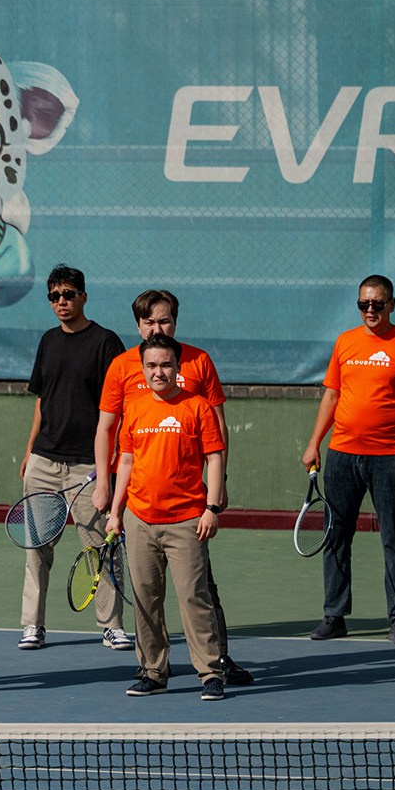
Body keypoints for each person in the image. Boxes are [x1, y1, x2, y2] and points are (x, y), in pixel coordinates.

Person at [95, 289, 255, 685]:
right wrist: (110, 497)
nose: (156, 328)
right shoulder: (122, 372)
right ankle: (153, 668)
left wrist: (215, 496)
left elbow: (216, 436)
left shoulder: (199, 366)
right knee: (146, 597)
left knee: (198, 592)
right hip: (140, 511)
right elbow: (112, 437)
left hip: (188, 509)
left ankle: (214, 665)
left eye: (163, 320)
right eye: (149, 322)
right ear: (138, 327)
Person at [301, 275, 395, 646]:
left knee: (394, 539)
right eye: (364, 304)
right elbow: (331, 395)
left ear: (392, 304)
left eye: (377, 303)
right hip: (342, 455)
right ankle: (334, 615)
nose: (370, 310)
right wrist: (314, 443)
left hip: (389, 459)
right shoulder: (345, 342)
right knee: (336, 536)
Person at [16, 265, 123, 650]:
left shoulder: (106, 343)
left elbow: (119, 406)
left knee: (100, 546)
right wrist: (30, 451)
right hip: (44, 462)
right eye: (54, 296)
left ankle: (111, 625)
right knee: (37, 548)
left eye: (68, 294)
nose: (61, 301)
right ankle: (33, 625)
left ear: (83, 297)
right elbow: (42, 401)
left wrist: (110, 463)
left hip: (88, 467)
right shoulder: (48, 341)